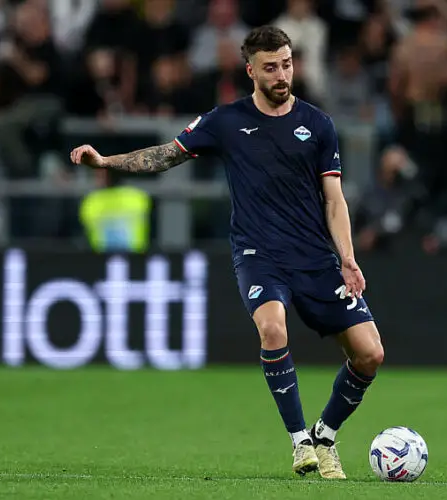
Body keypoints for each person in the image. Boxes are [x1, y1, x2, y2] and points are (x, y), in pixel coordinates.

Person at [70, 26, 384, 480]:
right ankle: (300, 443)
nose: (282, 75)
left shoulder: (318, 125)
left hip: (315, 257)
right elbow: (164, 156)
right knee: (273, 328)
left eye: (287, 64)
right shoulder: (225, 121)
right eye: (271, 67)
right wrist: (106, 163)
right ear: (250, 70)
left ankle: (324, 436)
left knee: (370, 354)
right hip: (259, 254)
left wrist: (348, 258)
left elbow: (334, 200)